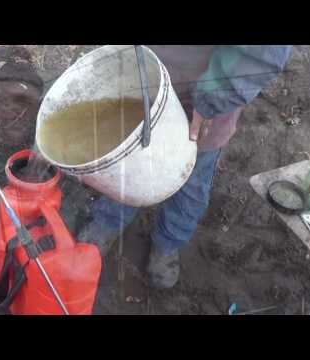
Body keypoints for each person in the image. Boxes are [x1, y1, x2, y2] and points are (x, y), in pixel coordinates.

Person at [77, 45, 293, 289]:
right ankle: (109, 220)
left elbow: (262, 52)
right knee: (129, 157)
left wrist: (214, 99)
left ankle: (169, 242)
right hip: (146, 70)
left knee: (191, 177)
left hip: (209, 92)